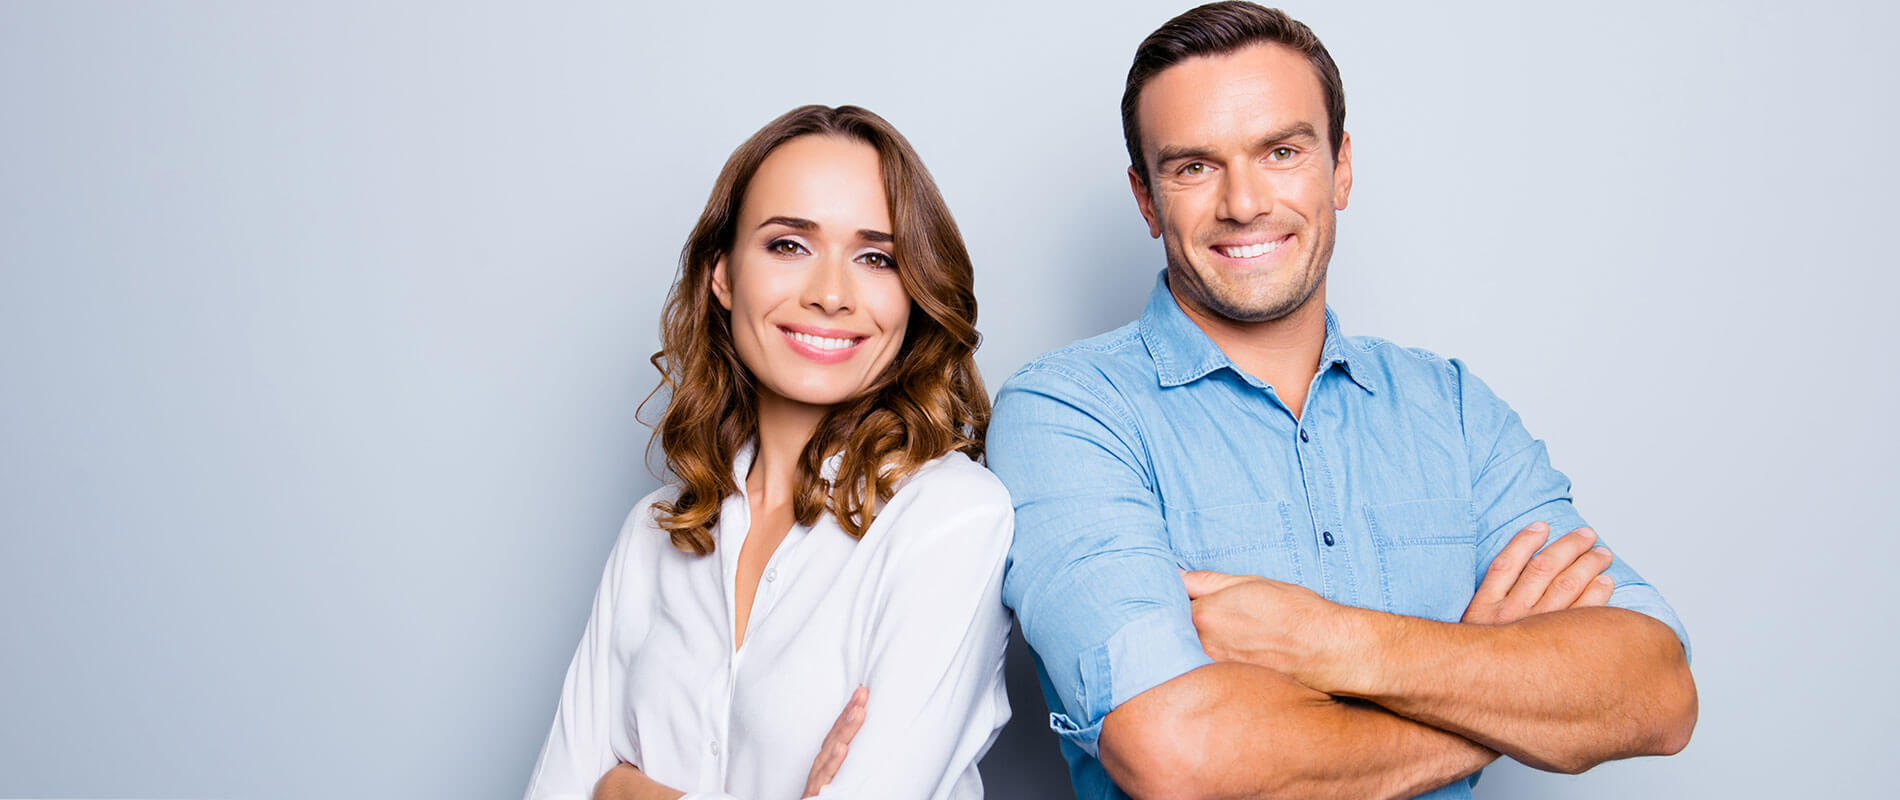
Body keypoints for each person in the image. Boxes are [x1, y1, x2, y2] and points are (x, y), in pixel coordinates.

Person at [986, 4, 1698, 799]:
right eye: (1193, 167)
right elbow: (1176, 756)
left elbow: (1655, 692)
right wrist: (1494, 689)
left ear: (1342, 167)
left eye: (1282, 151)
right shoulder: (1068, 414)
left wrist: (1330, 642)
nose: (1244, 203)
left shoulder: (1453, 410)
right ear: (1147, 199)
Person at [524, 105, 1013, 800]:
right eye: (789, 245)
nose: (831, 295)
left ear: (915, 295)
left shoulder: (951, 519)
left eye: (877, 258)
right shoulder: (654, 531)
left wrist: (624, 792)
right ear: (722, 275)